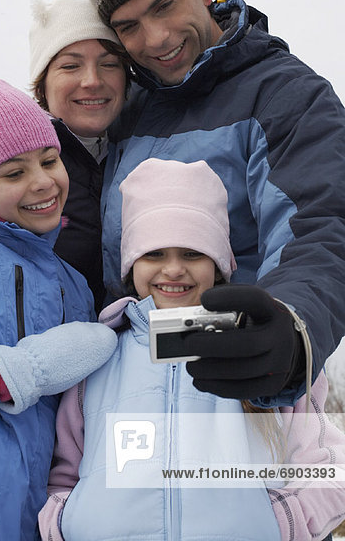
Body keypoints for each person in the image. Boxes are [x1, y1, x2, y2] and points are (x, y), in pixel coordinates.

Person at [78, 0, 345, 407]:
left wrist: (290, 327)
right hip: (126, 390)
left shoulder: (287, 94)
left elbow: (323, 225)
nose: (156, 38)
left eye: (165, 5)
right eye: (129, 27)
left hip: (242, 381)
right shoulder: (121, 112)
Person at [38, 159, 345, 541]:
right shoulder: (98, 355)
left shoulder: (264, 349)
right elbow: (62, 475)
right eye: (153, 254)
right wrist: (67, 523)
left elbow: (328, 468)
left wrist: (280, 523)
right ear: (131, 265)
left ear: (217, 264)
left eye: (192, 253)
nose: (173, 270)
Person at [0, 76, 118, 541]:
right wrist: (13, 372)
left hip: (36, 522)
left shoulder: (73, 285)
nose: (43, 182)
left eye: (49, 160)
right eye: (14, 172)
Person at [29, 0, 130, 312]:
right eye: (70, 65)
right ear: (42, 85)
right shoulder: (12, 164)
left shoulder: (151, 148)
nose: (92, 81)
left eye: (109, 63)